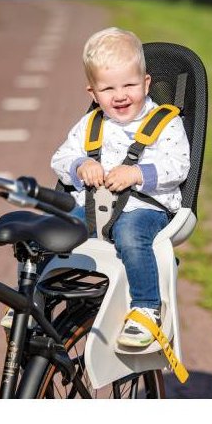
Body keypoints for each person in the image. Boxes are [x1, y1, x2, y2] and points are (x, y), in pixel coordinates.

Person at [50, 27, 190, 348]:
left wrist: (138, 173)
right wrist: (80, 165)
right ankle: (36, 297)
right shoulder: (90, 124)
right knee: (52, 229)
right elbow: (60, 158)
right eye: (108, 88)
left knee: (129, 233)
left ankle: (146, 308)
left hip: (145, 208)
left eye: (129, 85)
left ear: (146, 83)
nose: (120, 95)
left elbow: (179, 166)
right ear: (93, 93)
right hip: (94, 206)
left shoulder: (166, 122)